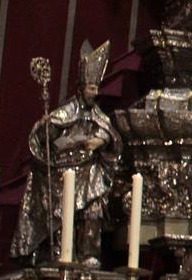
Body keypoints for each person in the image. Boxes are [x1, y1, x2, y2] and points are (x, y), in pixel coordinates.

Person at [11, 40, 122, 266]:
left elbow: (112, 136)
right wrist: (48, 128)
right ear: (80, 88)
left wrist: (102, 140)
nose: (95, 92)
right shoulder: (66, 112)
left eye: (96, 87)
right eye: (91, 88)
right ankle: (60, 253)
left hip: (89, 172)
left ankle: (89, 254)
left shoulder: (99, 115)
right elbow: (43, 139)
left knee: (94, 208)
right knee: (63, 212)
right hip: (63, 173)